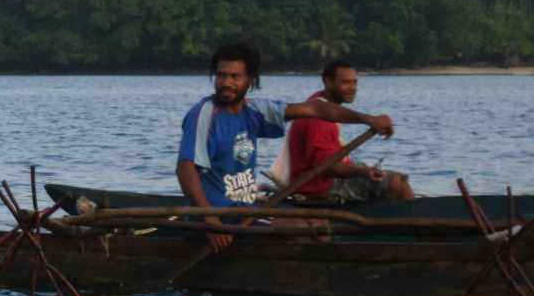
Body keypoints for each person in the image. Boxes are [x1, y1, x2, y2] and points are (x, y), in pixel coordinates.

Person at [177, 42, 395, 251]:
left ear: (250, 80)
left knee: (313, 222)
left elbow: (318, 110)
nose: (227, 83)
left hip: (244, 209)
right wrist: (210, 220)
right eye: (221, 75)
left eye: (235, 76)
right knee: (299, 229)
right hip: (218, 212)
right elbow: (185, 168)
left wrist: (368, 119)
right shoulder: (204, 114)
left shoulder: (254, 111)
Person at [289, 59, 415, 202]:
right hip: (321, 185)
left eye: (355, 82)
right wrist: (362, 172)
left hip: (330, 177)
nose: (353, 88)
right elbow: (324, 167)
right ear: (328, 82)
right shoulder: (320, 118)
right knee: (395, 182)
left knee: (398, 180)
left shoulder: (320, 101)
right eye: (346, 82)